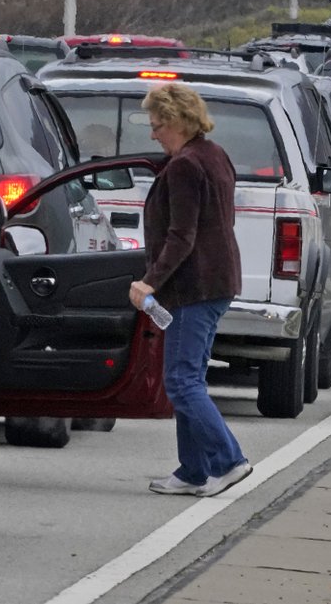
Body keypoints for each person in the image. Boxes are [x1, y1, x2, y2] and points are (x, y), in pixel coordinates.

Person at [128, 83, 252, 498]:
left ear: (178, 121)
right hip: (218, 280)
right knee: (189, 377)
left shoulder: (183, 166)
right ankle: (193, 470)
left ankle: (227, 460)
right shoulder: (214, 155)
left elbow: (182, 236)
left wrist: (150, 281)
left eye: (157, 124)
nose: (153, 133)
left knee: (181, 381)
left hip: (194, 285)